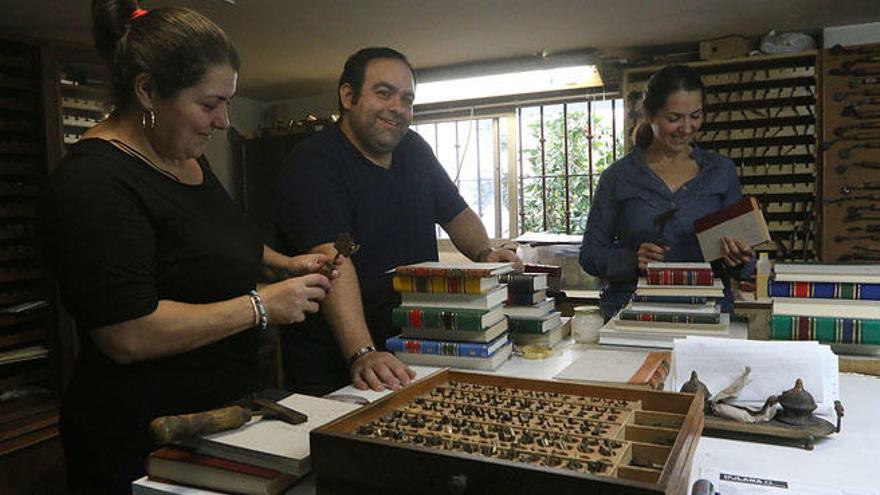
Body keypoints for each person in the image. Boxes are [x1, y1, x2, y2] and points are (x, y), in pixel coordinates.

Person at [38, 2, 336, 493]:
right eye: (209, 104)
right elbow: (128, 333)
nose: (222, 122)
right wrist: (262, 306)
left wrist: (285, 264)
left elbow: (213, 238)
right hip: (140, 440)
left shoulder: (184, 157)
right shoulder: (92, 183)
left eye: (228, 103)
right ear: (148, 90)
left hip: (219, 420)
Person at [274, 47, 521, 396]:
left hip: (415, 350)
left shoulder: (415, 149)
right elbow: (332, 260)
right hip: (340, 368)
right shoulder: (313, 164)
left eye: (407, 99)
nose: (397, 108)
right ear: (348, 96)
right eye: (384, 93)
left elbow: (456, 211)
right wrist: (362, 352)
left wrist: (484, 253)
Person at [579, 65, 754, 320]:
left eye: (695, 115)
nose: (686, 128)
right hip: (632, 315)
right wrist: (631, 261)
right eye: (674, 118)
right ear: (649, 114)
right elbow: (590, 254)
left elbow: (745, 264)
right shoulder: (618, 177)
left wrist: (739, 257)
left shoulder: (721, 172)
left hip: (707, 313)